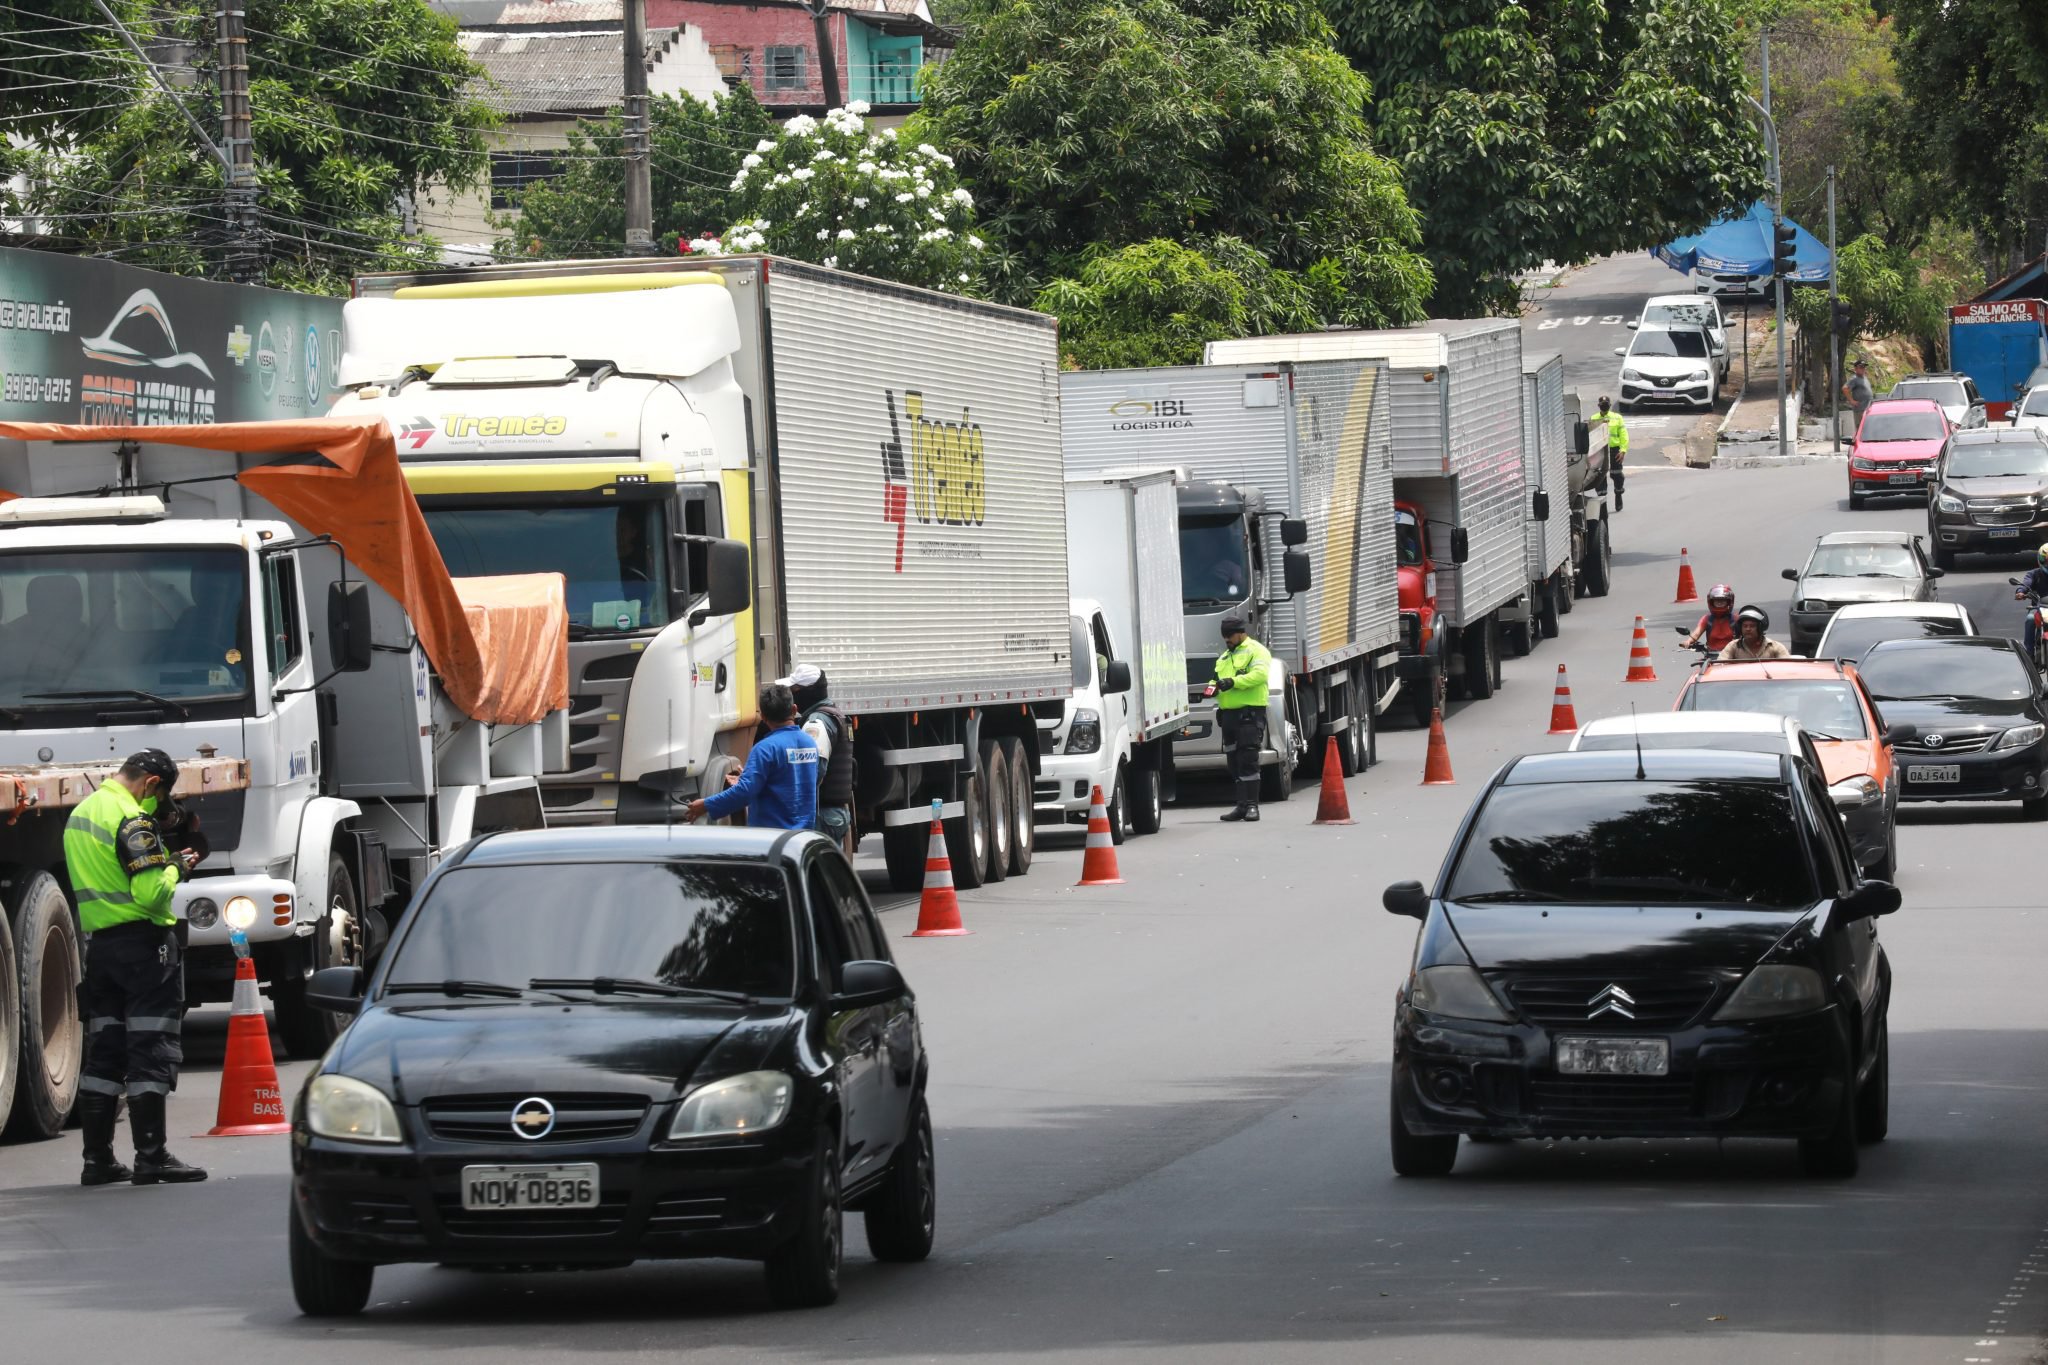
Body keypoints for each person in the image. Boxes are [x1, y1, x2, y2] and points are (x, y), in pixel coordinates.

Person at [64, 749, 207, 1187]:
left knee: (104, 1051)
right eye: (159, 795)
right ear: (149, 784)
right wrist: (177, 866)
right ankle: (152, 1157)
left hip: (101, 948)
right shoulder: (132, 820)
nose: (158, 805)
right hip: (144, 949)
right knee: (150, 1048)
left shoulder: (81, 813)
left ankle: (97, 1161)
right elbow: (149, 895)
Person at [685, 684, 819, 830]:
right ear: (794, 709)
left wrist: (706, 805)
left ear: (763, 716)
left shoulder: (765, 749)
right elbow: (794, 782)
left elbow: (745, 793)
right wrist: (753, 779)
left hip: (773, 841)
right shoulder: (810, 743)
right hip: (804, 838)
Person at [1205, 614, 1272, 822]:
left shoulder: (1256, 651)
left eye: (1230, 636)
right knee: (1234, 762)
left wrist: (1233, 682)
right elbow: (1216, 679)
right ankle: (1241, 806)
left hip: (1249, 714)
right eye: (1224, 636)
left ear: (1241, 632)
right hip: (1229, 717)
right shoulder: (1224, 656)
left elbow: (1260, 675)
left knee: (1248, 759)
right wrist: (1211, 689)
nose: (1227, 640)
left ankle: (1253, 806)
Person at [782, 664, 854, 852]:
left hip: (821, 815)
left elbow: (812, 770)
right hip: (831, 813)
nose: (791, 695)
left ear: (807, 692)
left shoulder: (817, 722)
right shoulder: (834, 713)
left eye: (794, 690)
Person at [1718, 605, 1790, 661]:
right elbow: (1720, 666)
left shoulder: (1775, 647)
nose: (1748, 629)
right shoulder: (1733, 646)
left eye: (1752, 626)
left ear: (1760, 628)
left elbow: (1788, 667)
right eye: (1745, 626)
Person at [1683, 583, 1739, 652]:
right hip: (1711, 656)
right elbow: (1696, 633)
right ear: (1711, 602)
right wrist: (1688, 641)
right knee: (1698, 663)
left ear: (1729, 602)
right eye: (1717, 601)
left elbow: (1746, 634)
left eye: (1723, 600)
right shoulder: (1707, 619)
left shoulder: (1736, 619)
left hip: (1733, 656)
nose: (1719, 603)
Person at [1595, 396, 1628, 512]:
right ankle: (1602, 503)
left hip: (1615, 450)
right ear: (1599, 406)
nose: (1604, 406)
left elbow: (1623, 435)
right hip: (1599, 452)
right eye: (1602, 404)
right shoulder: (1594, 418)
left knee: (1617, 475)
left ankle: (1618, 494)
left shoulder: (1617, 417)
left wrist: (1623, 450)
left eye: (1606, 404)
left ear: (1610, 405)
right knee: (1600, 477)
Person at [2016, 545, 2048, 658]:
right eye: (2046, 560)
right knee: (2030, 619)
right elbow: (2026, 584)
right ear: (2040, 559)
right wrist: (2021, 592)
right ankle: (2029, 654)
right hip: (2038, 607)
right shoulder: (2033, 574)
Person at [1843, 359, 1875, 431]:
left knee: (1867, 429)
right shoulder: (1854, 379)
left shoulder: (1865, 378)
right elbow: (1845, 389)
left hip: (1867, 409)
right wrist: (1852, 401)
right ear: (1856, 369)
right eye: (1861, 367)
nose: (1863, 369)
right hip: (1860, 409)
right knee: (1860, 429)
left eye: (1864, 367)